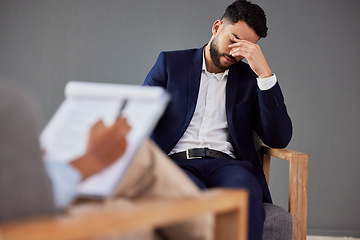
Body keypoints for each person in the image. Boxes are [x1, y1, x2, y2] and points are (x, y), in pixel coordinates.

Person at [143, 0, 292, 239]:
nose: (235, 52)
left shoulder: (250, 79)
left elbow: (279, 137)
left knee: (243, 198)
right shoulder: (171, 64)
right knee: (189, 202)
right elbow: (137, 116)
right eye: (233, 40)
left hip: (229, 166)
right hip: (178, 165)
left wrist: (265, 75)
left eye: (245, 48)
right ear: (216, 27)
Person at [0, 82, 213, 240]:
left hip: (27, 204)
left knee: (128, 202)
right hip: (29, 223)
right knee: (139, 159)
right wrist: (93, 159)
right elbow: (26, 205)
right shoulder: (10, 105)